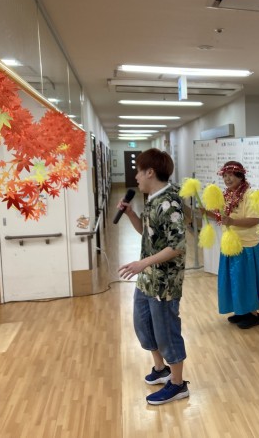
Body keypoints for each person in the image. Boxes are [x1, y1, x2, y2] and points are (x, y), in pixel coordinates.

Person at [117, 148, 190, 405]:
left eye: (139, 171)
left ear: (150, 172)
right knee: (144, 324)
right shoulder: (152, 199)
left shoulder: (169, 203)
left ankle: (178, 384)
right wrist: (130, 214)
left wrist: (142, 263)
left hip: (164, 283)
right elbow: (148, 235)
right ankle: (161, 369)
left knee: (166, 330)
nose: (136, 176)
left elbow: (176, 246)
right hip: (148, 278)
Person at [214, 161, 259, 329]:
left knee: (246, 280)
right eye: (224, 176)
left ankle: (253, 315)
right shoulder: (227, 195)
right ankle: (240, 311)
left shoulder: (251, 194)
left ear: (240, 176)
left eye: (230, 175)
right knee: (234, 280)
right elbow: (223, 218)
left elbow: (254, 220)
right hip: (230, 244)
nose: (227, 179)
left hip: (246, 245)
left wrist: (232, 221)